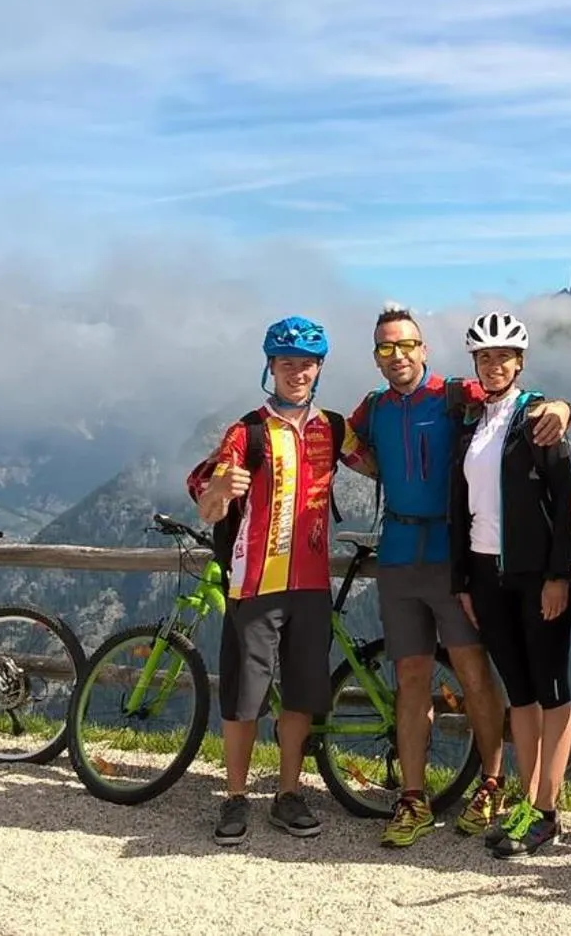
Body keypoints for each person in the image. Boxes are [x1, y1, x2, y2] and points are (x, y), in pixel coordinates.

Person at [339, 304, 571, 848]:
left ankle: (492, 784)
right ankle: (413, 798)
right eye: (384, 348)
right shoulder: (371, 408)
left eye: (406, 345)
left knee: (473, 673)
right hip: (398, 555)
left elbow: (525, 405)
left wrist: (564, 406)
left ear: (424, 348)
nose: (397, 356)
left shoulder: (456, 396)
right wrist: (371, 466)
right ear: (376, 358)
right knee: (412, 679)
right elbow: (338, 439)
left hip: (453, 554)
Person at [186, 315, 347, 847]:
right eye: (286, 364)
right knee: (243, 696)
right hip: (253, 583)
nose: (296, 372)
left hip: (311, 585)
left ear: (319, 368)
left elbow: (375, 461)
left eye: (305, 364)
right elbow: (209, 508)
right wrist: (220, 490)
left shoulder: (334, 428)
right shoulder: (247, 431)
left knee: (300, 693)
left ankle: (287, 792)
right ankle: (234, 797)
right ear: (270, 368)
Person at [447, 311, 571, 858]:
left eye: (503, 356)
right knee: (520, 695)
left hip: (534, 577)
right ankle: (527, 802)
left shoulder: (539, 420)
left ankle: (548, 810)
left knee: (551, 693)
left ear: (520, 362)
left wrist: (557, 576)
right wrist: (463, 581)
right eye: (484, 357)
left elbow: (564, 504)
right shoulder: (470, 422)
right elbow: (461, 504)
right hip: (485, 574)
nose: (494, 364)